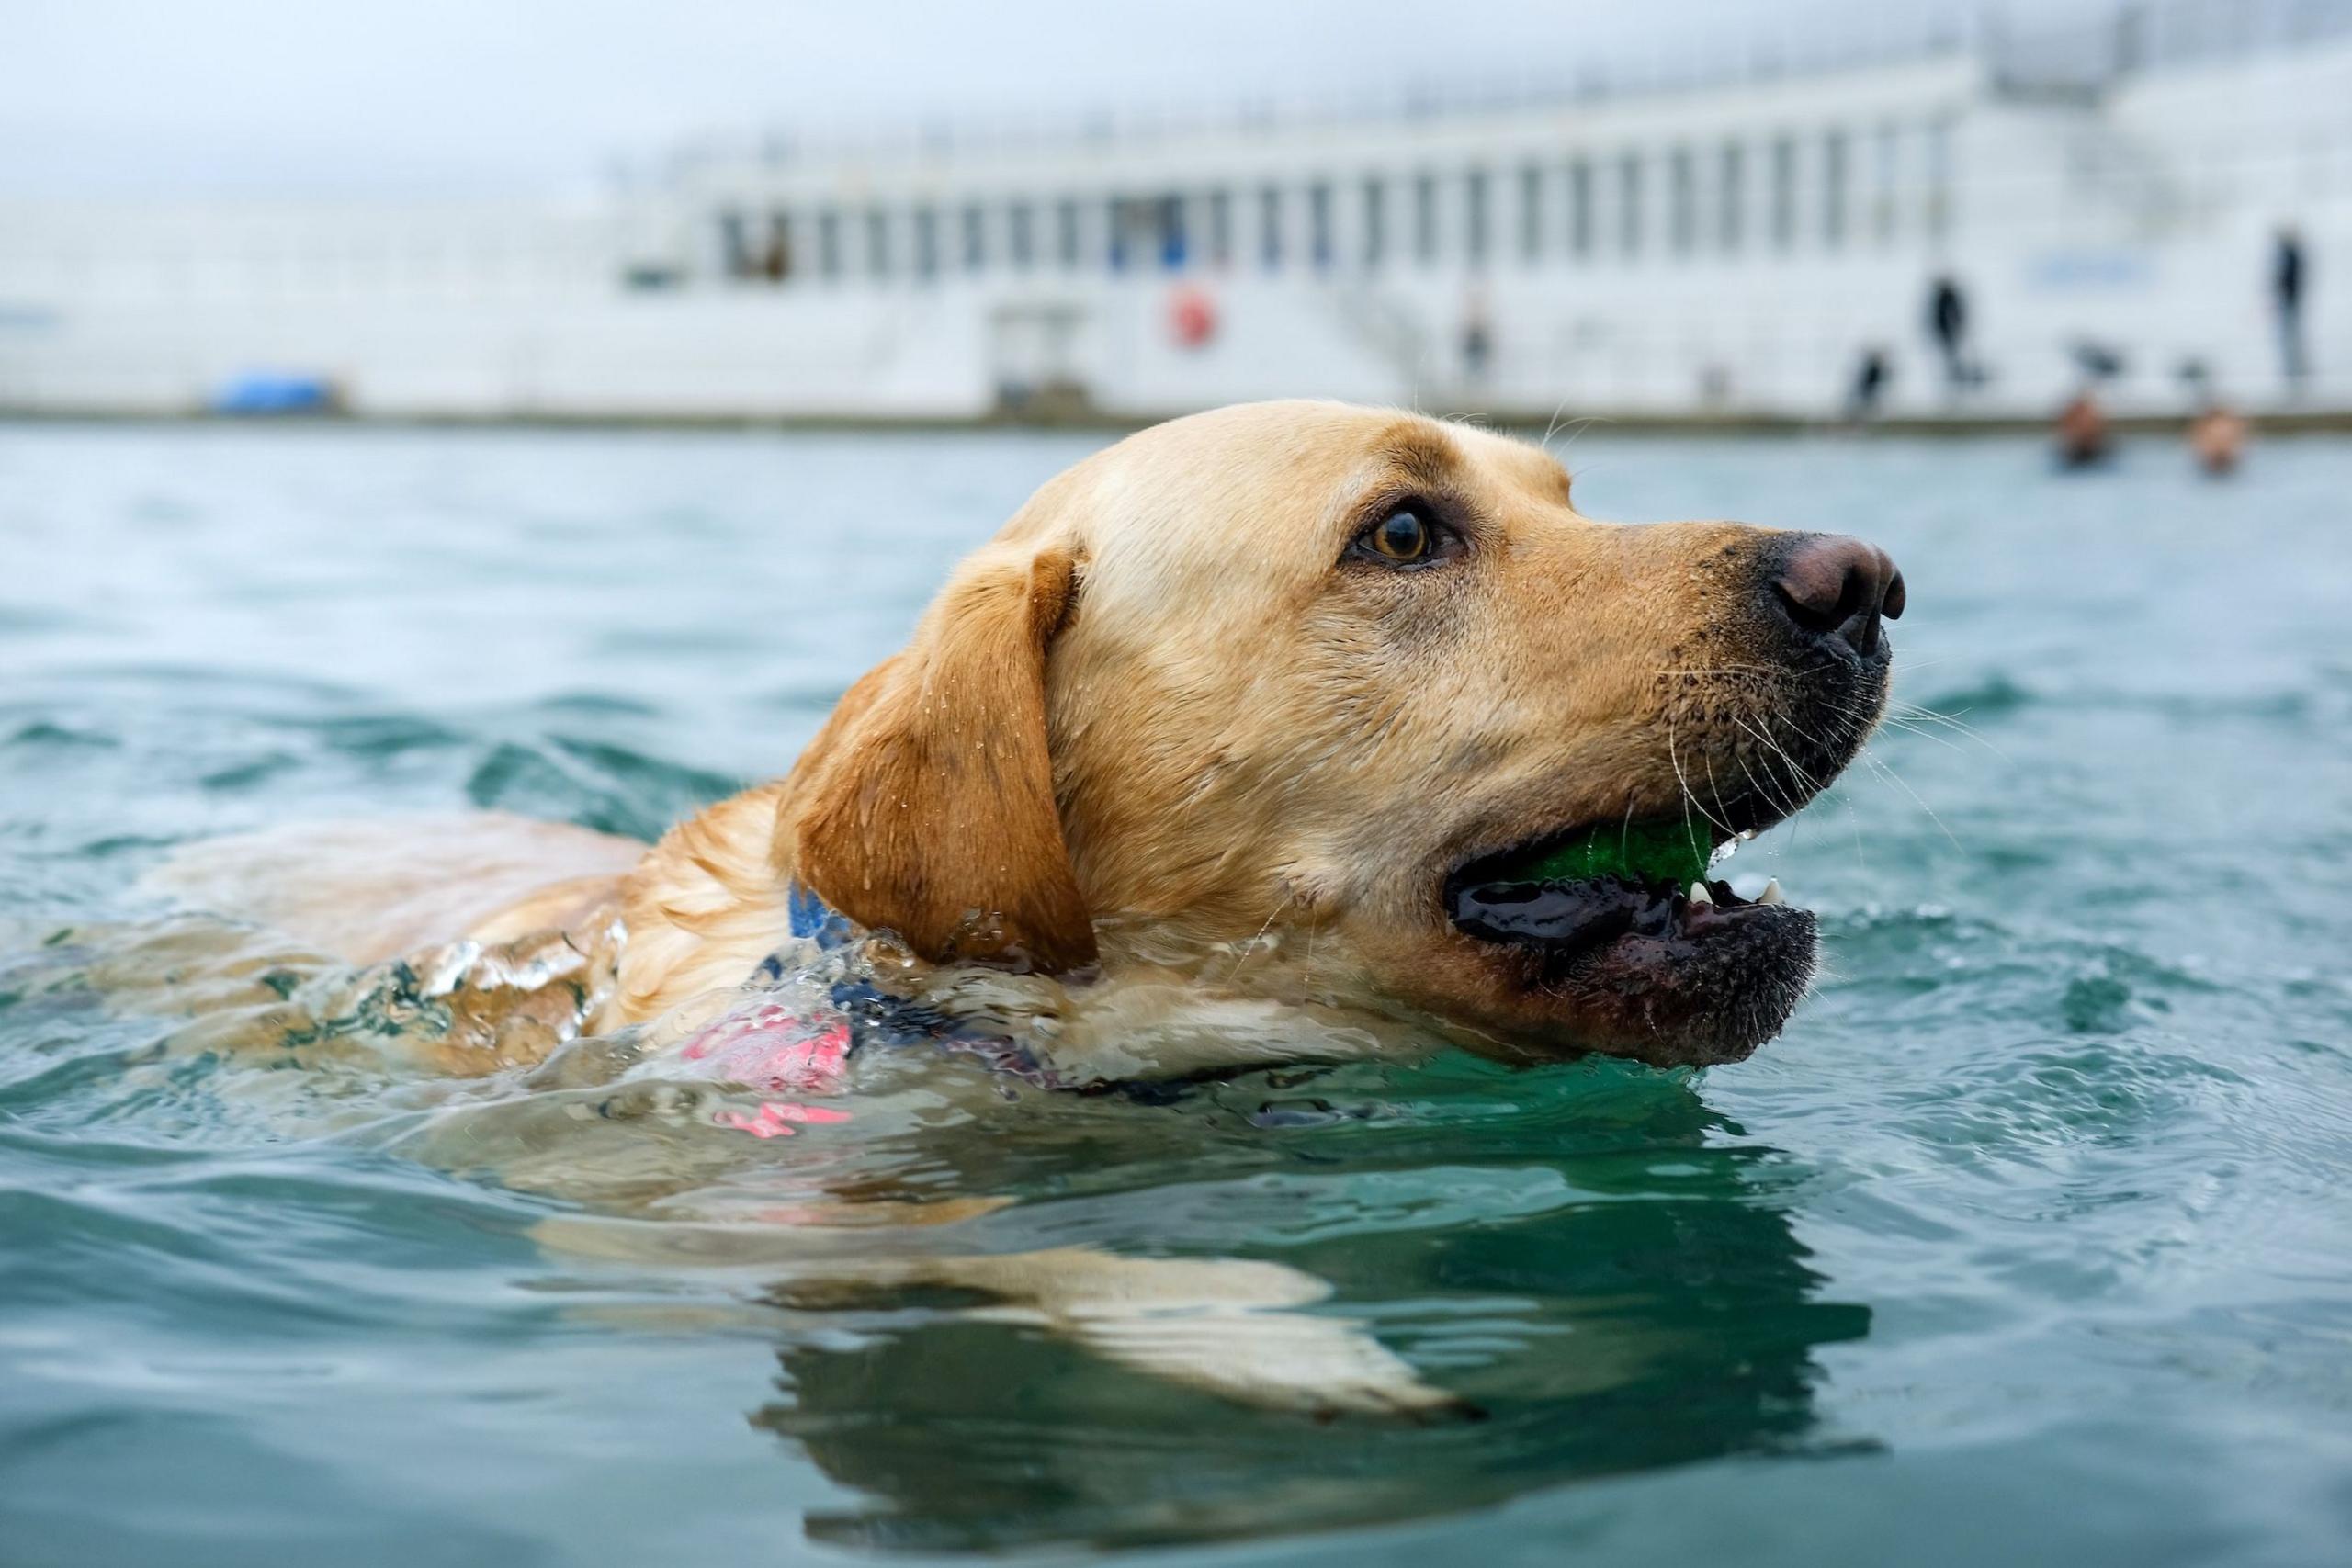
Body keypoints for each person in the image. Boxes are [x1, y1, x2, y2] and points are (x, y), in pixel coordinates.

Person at [2274, 226, 2308, 393]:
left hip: (2290, 302)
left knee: (2291, 339)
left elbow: (2288, 280)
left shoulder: (2292, 255)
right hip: (2290, 301)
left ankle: (2296, 373)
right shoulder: (2291, 255)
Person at [1928, 276, 1969, 394]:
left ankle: (1956, 382)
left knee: (1952, 358)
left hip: (1949, 334)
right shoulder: (1944, 297)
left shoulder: (1948, 297)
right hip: (1947, 333)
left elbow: (1953, 316)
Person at [2054, 390, 2111, 469]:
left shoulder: (2109, 458)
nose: (2083, 425)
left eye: (2086, 420)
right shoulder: (2058, 461)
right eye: (2076, 421)